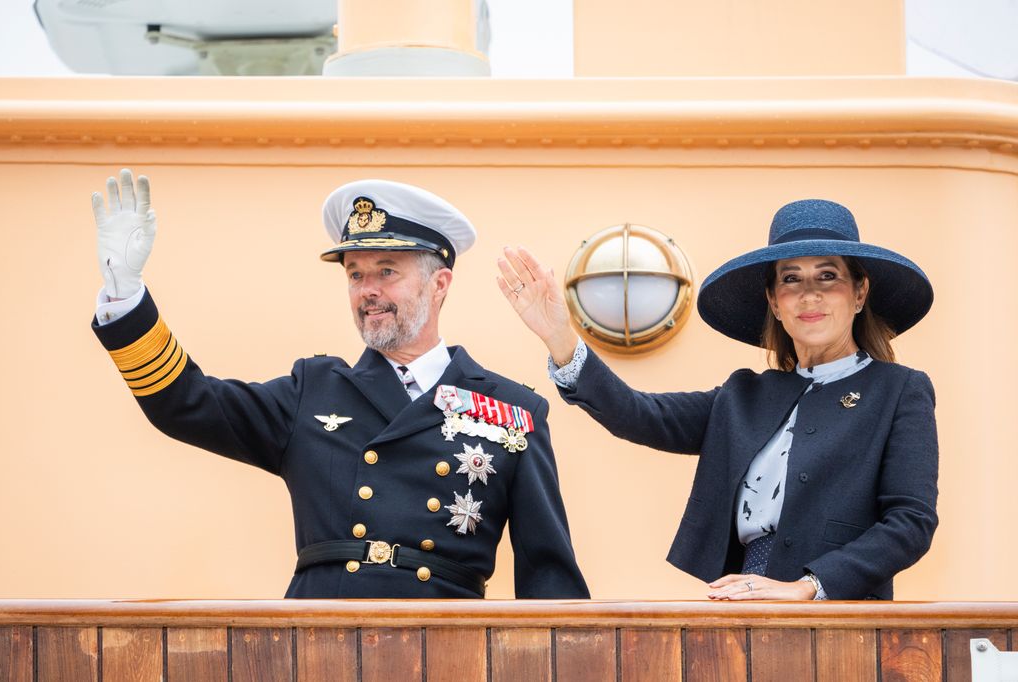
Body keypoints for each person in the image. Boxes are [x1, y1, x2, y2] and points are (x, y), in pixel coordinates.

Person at [90, 169, 589, 599]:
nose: (367, 291)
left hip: (442, 648)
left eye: (386, 271)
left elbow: (549, 574)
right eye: (355, 275)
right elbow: (186, 403)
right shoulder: (314, 388)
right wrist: (125, 293)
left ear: (439, 285)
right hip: (317, 644)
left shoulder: (512, 411)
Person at [496, 199, 937, 600]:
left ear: (859, 293)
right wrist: (560, 337)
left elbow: (910, 523)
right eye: (790, 279)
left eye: (828, 276)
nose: (810, 294)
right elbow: (636, 413)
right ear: (774, 302)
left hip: (847, 620)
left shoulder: (899, 390)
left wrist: (809, 586)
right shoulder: (743, 395)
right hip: (741, 604)